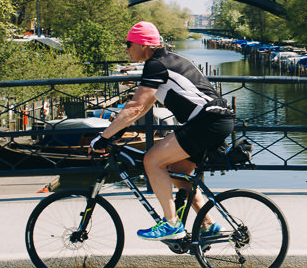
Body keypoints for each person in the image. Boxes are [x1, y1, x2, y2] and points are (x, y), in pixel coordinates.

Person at [89, 21, 235, 240]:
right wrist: (117, 131)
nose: (126, 49)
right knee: (178, 176)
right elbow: (144, 106)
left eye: (129, 44)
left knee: (152, 161)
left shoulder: (155, 65)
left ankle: (171, 224)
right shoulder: (171, 60)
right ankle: (209, 225)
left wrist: (103, 137)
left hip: (207, 121)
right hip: (214, 120)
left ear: (143, 44)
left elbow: (136, 106)